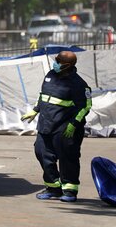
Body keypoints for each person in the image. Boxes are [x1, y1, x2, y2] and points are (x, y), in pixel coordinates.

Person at [20, 51, 92, 202]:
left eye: (59, 61)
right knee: (41, 152)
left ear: (68, 65)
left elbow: (85, 106)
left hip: (65, 127)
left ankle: (70, 191)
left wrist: (73, 124)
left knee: (68, 158)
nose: (56, 63)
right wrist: (35, 110)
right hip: (46, 124)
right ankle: (53, 188)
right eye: (56, 60)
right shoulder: (50, 75)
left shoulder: (79, 84)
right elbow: (43, 95)